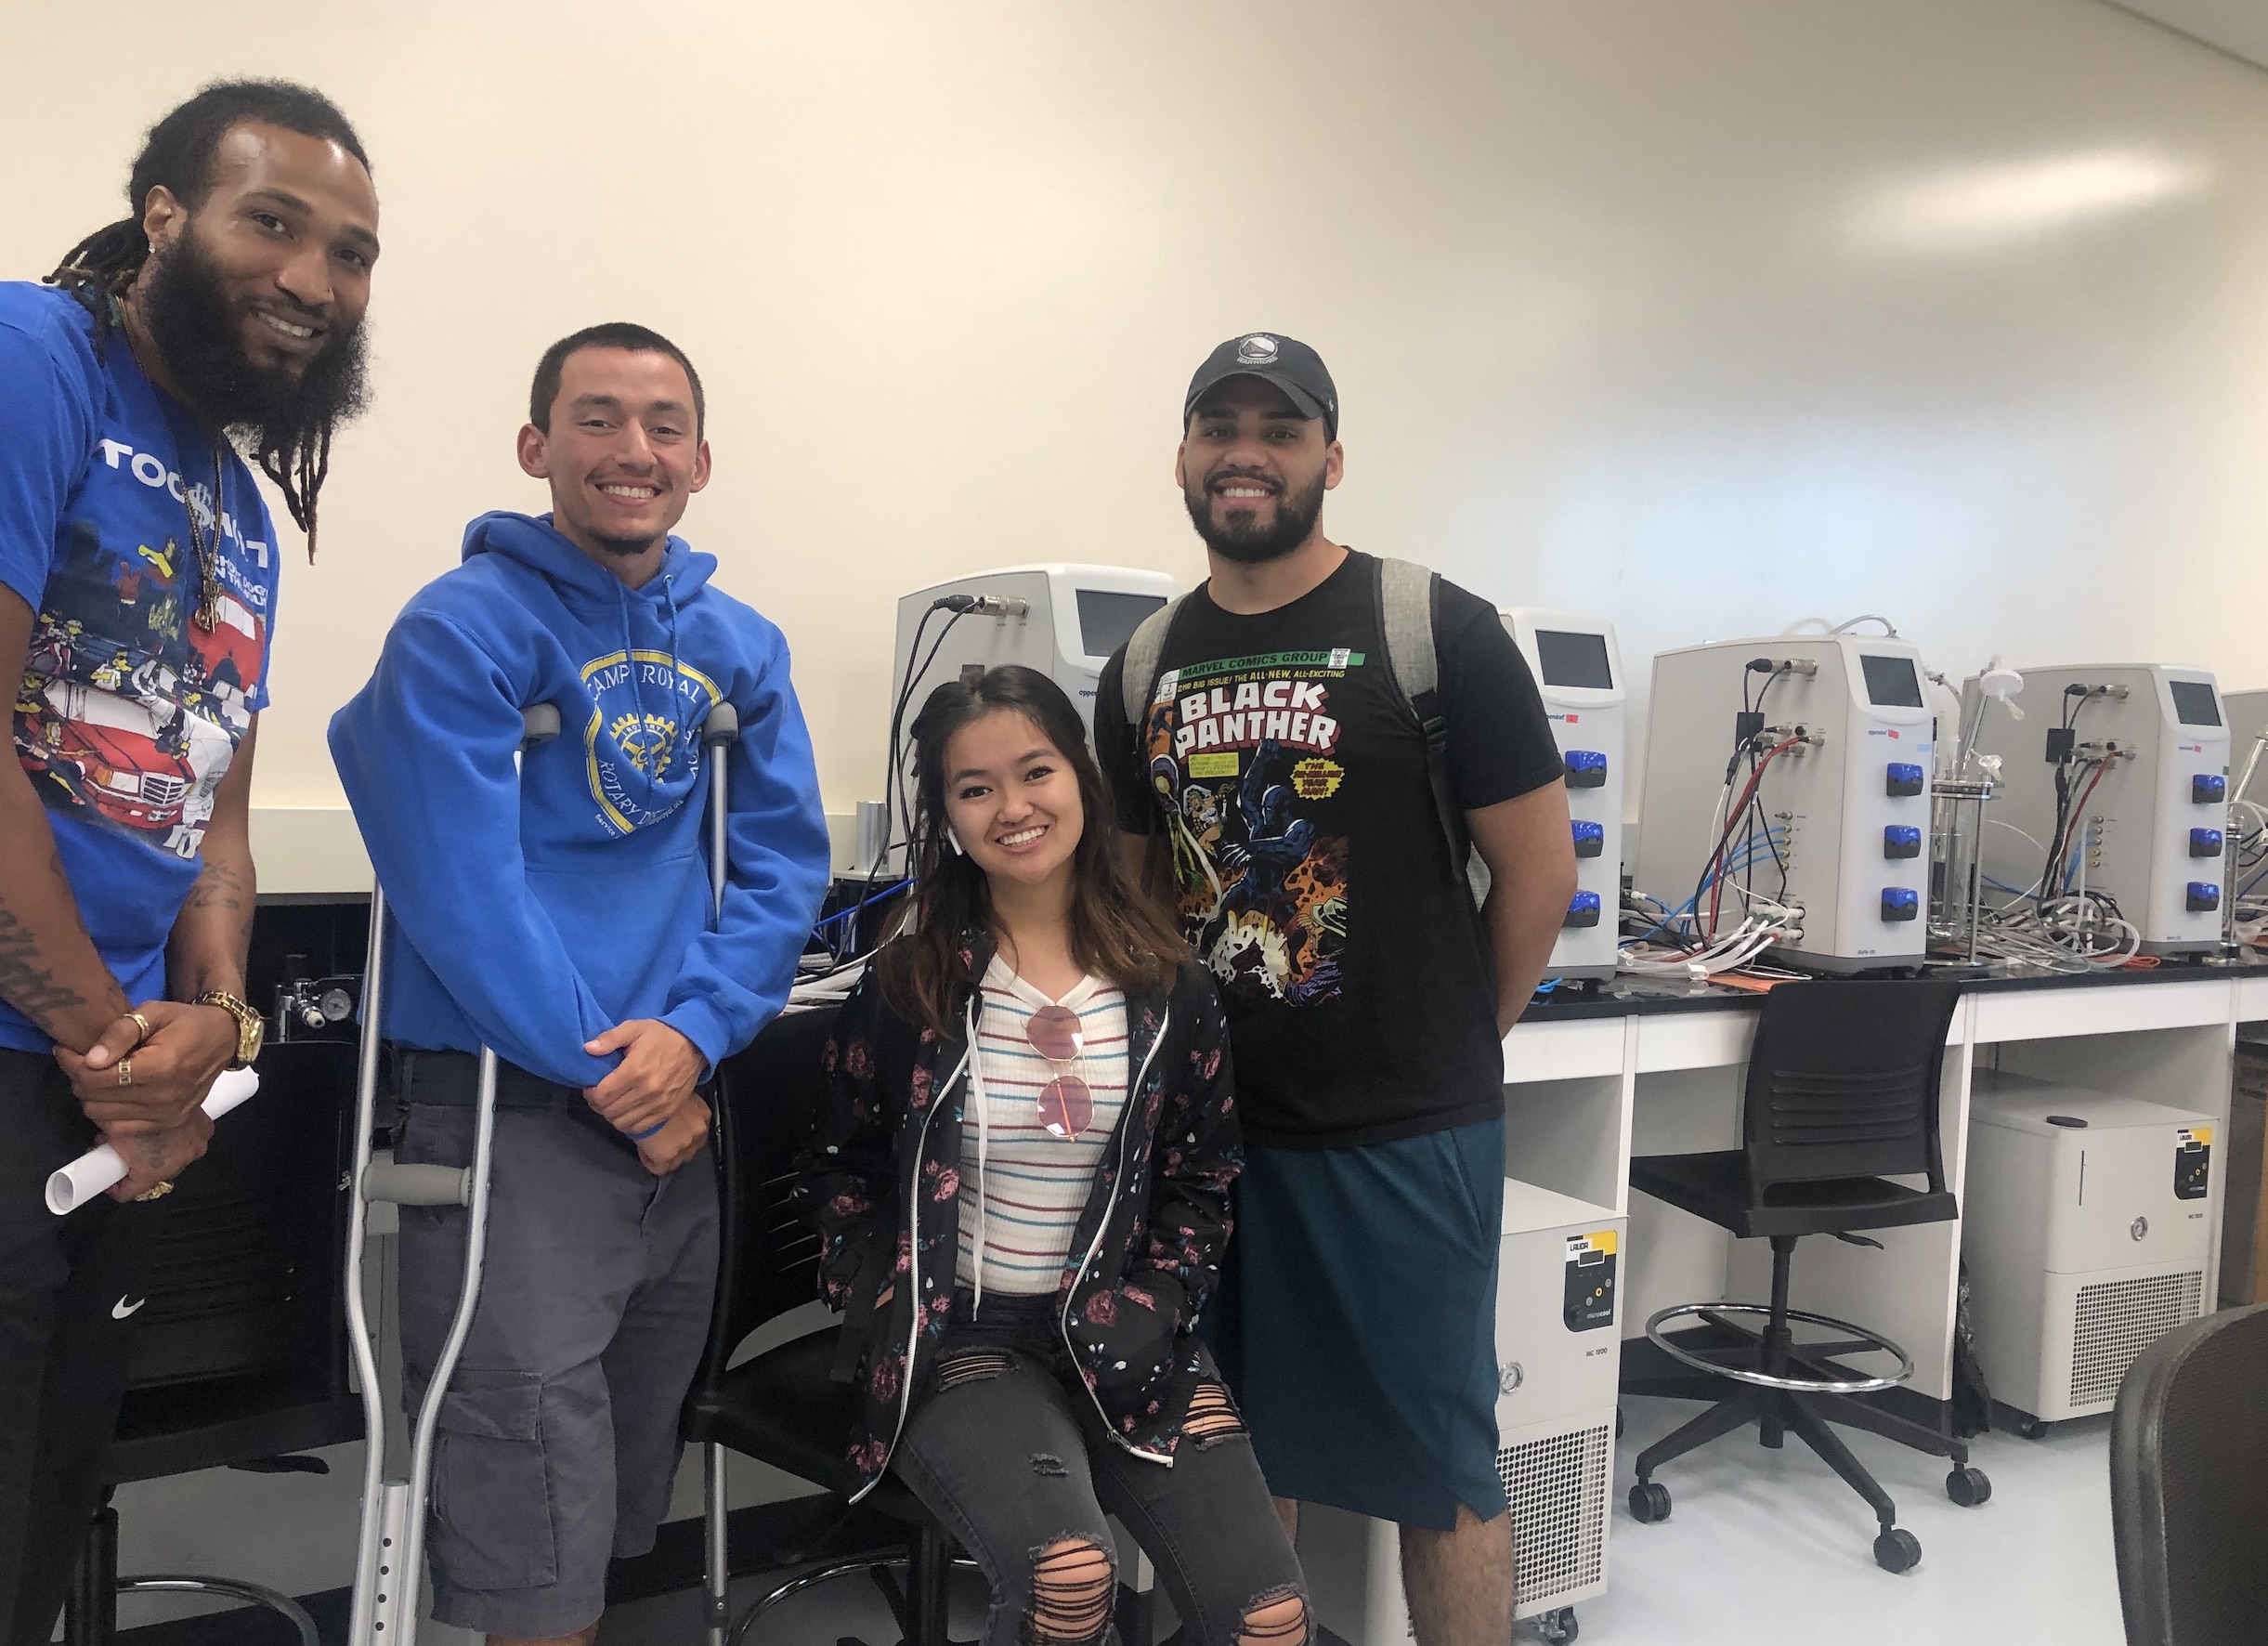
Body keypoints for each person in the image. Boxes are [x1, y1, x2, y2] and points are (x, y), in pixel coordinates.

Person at [327, 323, 831, 1646]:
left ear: (702, 461)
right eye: (597, 420)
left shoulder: (740, 644)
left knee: (605, 1495)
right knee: (529, 1503)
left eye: (663, 426)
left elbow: (783, 867)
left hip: (675, 1113)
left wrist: (697, 1035)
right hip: (515, 1121)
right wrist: (621, 1070)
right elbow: (457, 888)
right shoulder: (461, 629)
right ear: (536, 448)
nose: (632, 451)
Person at [1093, 333, 1578, 1646]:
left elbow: (1537, 869)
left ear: (1329, 458)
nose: (1245, 451)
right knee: (1238, 1455)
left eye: (1279, 427)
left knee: (1441, 1467)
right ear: (1184, 457)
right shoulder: (1141, 668)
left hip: (1402, 1135)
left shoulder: (1431, 630)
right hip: (1215, 1142)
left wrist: (1464, 1033)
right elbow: (1135, 898)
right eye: (1218, 426)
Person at [0, 80, 378, 1646]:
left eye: (352, 251)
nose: (314, 277)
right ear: (165, 216)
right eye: (270, 221)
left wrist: (209, 1034)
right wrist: (110, 1043)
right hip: (42, 1056)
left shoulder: (238, 504)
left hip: (97, 1089)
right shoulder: (36, 354)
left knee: (39, 1502)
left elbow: (212, 814)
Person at [796, 665, 1309, 1646]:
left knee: (1270, 1617)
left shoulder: (1169, 984)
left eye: (1035, 771)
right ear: (945, 814)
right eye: (975, 787)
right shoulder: (912, 982)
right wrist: (878, 1294)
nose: (1013, 806)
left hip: (1126, 1325)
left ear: (1080, 777)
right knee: (1068, 1581)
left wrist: (1154, 1308)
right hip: (964, 1336)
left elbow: (1204, 1178)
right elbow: (838, 1162)